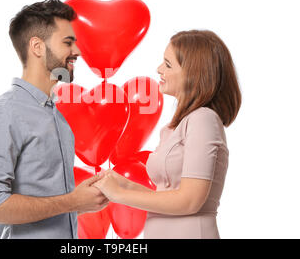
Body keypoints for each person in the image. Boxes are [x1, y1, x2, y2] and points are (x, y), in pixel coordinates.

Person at [0, 0, 108, 239]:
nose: (76, 51)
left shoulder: (57, 117)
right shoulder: (5, 112)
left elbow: (50, 199)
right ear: (37, 47)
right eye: (68, 43)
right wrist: (72, 202)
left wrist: (82, 199)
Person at [94, 30, 241, 239]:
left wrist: (120, 194)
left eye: (168, 64)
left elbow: (189, 201)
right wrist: (125, 185)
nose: (159, 69)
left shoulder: (203, 120)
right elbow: (168, 198)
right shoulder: (178, 126)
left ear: (193, 74)